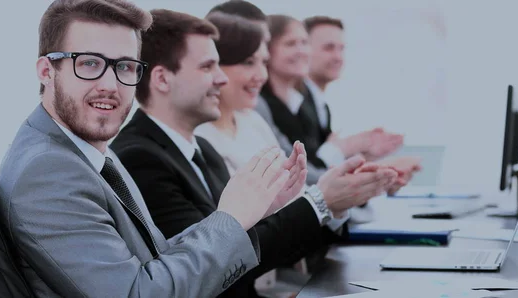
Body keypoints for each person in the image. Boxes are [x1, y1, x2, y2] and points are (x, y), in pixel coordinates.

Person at [0, 1, 292, 297]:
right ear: (46, 71)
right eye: (89, 63)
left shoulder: (86, 152)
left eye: (124, 66)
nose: (110, 85)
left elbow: (155, 258)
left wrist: (248, 213)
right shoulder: (48, 173)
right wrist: (232, 219)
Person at [110, 9, 398, 298]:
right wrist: (319, 202)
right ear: (162, 79)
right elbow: (210, 270)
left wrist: (319, 205)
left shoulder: (202, 151)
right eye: (208, 67)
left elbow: (239, 247)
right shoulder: (140, 157)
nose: (221, 79)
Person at [255, 14, 407, 186]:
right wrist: (344, 148)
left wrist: (364, 157)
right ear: (267, 50)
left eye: (304, 43)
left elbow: (319, 165)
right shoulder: (261, 105)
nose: (301, 51)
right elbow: (305, 168)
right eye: (290, 44)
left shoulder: (301, 104)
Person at [303, 15, 421, 193]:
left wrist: (365, 158)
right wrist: (346, 147)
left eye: (341, 49)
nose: (338, 57)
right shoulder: (295, 104)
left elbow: (323, 168)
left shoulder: (320, 106)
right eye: (328, 48)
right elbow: (310, 173)